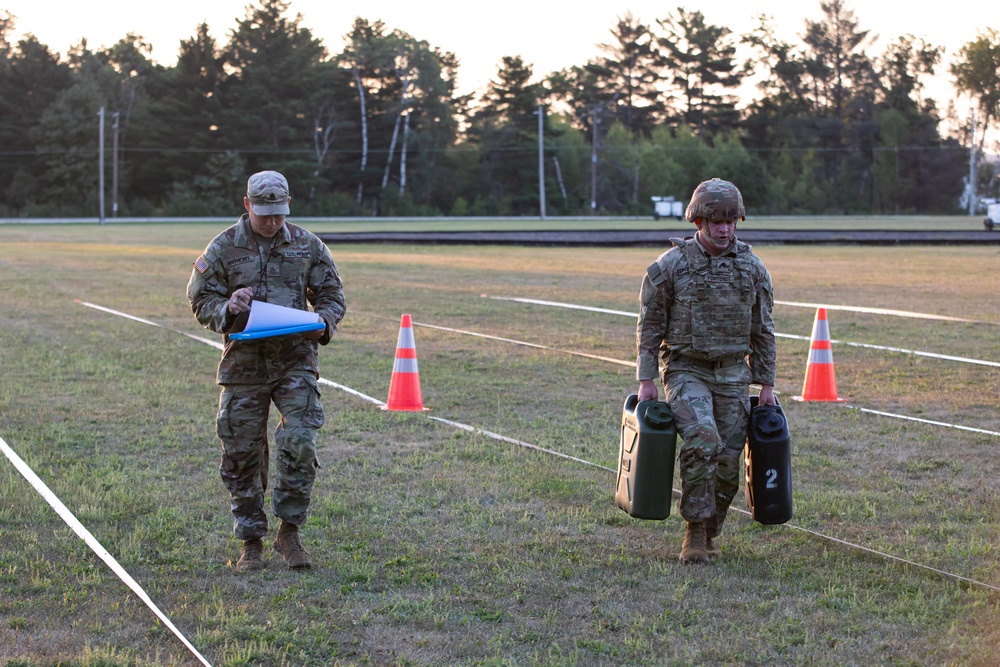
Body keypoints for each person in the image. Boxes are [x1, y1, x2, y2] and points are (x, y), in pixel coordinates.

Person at [187, 170, 346, 571]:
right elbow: (200, 299)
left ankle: (289, 533)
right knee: (241, 451)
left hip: (295, 359)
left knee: (299, 440)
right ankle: (251, 540)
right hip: (244, 364)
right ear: (247, 206)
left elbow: (331, 295)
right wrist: (229, 307)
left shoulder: (307, 245)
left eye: (279, 213)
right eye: (264, 215)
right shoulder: (224, 247)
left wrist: (323, 321)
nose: (272, 222)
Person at [635, 178, 776, 564]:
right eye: (716, 220)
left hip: (733, 373)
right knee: (702, 439)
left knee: (729, 462)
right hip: (685, 370)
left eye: (732, 220)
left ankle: (711, 529)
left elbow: (763, 329)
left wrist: (766, 384)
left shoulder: (752, 267)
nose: (725, 227)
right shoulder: (672, 266)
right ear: (698, 221)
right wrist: (646, 379)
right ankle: (694, 534)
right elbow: (650, 326)